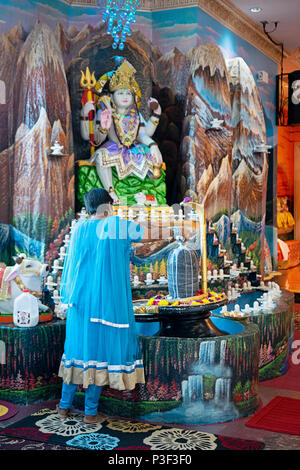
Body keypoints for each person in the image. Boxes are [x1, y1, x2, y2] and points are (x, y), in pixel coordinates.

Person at [57, 188, 149, 424]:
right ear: (107, 205)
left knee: (77, 353)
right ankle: (90, 412)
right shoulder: (117, 225)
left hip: (80, 302)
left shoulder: (80, 228)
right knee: (97, 355)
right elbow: (144, 233)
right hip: (106, 305)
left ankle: (63, 407)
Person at [80, 59, 165, 205]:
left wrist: (157, 114)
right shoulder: (106, 111)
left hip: (134, 150)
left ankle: (148, 196)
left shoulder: (135, 115)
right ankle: (111, 193)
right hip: (114, 148)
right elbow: (95, 139)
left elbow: (145, 134)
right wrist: (100, 125)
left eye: (128, 93)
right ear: (111, 96)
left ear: (133, 97)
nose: (125, 97)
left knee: (152, 157)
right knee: (101, 156)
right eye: (120, 93)